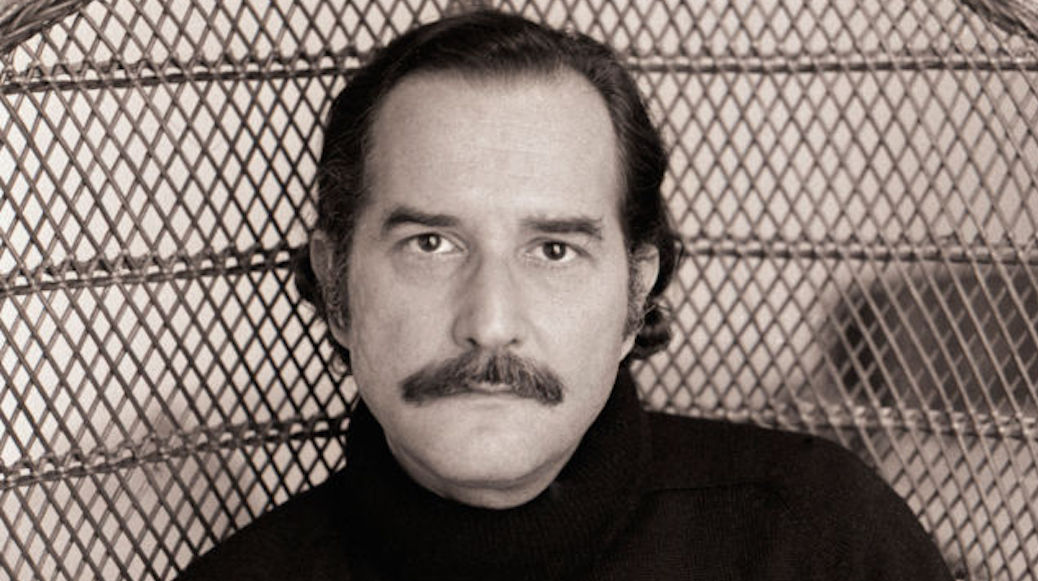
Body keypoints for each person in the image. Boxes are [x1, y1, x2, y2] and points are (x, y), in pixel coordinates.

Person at [179, 9, 953, 581]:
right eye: (431, 243)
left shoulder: (817, 538)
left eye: (553, 250)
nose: (490, 323)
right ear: (336, 286)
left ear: (635, 295)